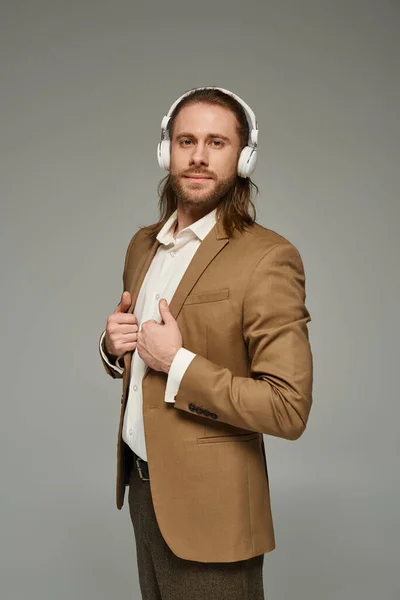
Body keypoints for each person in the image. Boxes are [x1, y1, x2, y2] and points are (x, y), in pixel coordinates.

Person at [98, 86, 313, 600]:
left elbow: (288, 408)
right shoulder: (143, 244)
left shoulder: (269, 258)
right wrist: (112, 347)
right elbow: (138, 352)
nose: (197, 156)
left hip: (213, 507)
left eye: (216, 142)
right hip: (144, 491)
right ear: (165, 151)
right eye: (186, 140)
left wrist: (178, 362)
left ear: (244, 156)